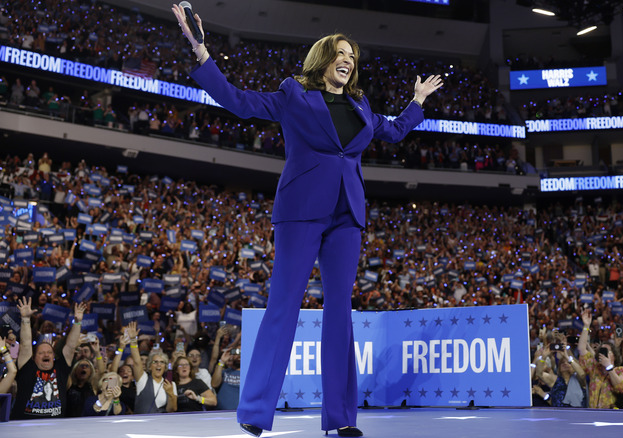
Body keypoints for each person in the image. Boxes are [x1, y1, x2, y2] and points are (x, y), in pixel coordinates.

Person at [171, 4, 442, 437]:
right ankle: (256, 413)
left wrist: (417, 102)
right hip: (300, 211)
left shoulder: (361, 104)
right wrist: (201, 52)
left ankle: (341, 418)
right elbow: (240, 102)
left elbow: (390, 131)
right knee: (283, 306)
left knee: (341, 312)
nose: (348, 59)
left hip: (347, 214)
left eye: (352, 55)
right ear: (324, 58)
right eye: (341, 52)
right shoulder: (294, 94)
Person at [11, 297, 86, 419]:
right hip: (24, 427)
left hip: (55, 428)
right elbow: (25, 344)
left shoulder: (60, 368)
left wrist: (77, 322)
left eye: (49, 352)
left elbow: (71, 346)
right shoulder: (27, 368)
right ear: (34, 358)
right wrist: (25, 319)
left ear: (54, 356)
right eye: (41, 353)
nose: (46, 355)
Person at [577, 309, 623, 408]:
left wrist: (609, 367)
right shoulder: (594, 368)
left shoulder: (620, 370)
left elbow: (622, 388)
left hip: (611, 416)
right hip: (593, 414)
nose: (604, 354)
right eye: (602, 351)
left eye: (607, 351)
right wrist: (586, 326)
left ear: (614, 355)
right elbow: (581, 349)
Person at [126, 322, 176, 414]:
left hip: (161, 425)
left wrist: (171, 394)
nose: (158, 365)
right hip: (142, 425)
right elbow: (137, 362)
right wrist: (133, 340)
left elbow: (171, 409)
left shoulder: (170, 384)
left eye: (162, 362)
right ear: (149, 366)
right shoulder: (143, 379)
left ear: (165, 367)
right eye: (155, 362)